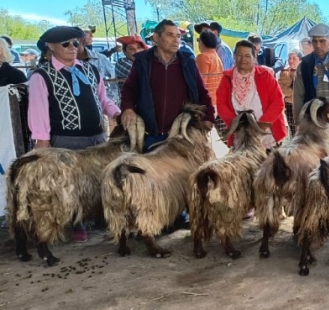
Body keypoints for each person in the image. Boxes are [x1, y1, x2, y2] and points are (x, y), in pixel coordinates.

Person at [28, 26, 122, 241]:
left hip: (96, 136)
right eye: (66, 44)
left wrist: (117, 113)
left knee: (100, 179)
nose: (72, 47)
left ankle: (101, 218)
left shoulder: (90, 70)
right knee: (72, 184)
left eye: (75, 43)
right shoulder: (41, 76)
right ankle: (78, 223)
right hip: (65, 140)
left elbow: (103, 99)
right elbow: (38, 110)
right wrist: (42, 142)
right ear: (51, 47)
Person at [120, 19, 215, 152]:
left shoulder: (187, 61)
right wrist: (128, 108)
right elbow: (129, 89)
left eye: (178, 36)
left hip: (181, 134)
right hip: (150, 134)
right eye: (170, 35)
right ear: (156, 37)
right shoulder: (143, 61)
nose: (176, 40)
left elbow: (201, 92)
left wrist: (209, 117)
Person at [217, 40, 287, 149]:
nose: (243, 59)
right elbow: (222, 105)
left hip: (267, 135)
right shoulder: (226, 78)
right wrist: (238, 127)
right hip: (240, 135)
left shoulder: (265, 75)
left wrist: (261, 126)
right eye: (239, 55)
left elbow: (278, 102)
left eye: (247, 56)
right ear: (234, 56)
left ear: (254, 58)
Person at [195, 30, 224, 113]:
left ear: (202, 42)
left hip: (205, 103)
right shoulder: (216, 56)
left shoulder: (203, 57)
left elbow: (201, 83)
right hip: (216, 101)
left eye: (198, 40)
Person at [277, 50, 301, 135]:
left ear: (300, 60)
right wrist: (295, 91)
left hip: (302, 104)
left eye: (294, 58)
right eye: (289, 58)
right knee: (293, 128)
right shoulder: (285, 72)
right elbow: (282, 89)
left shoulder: (304, 72)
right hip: (290, 104)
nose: (291, 61)